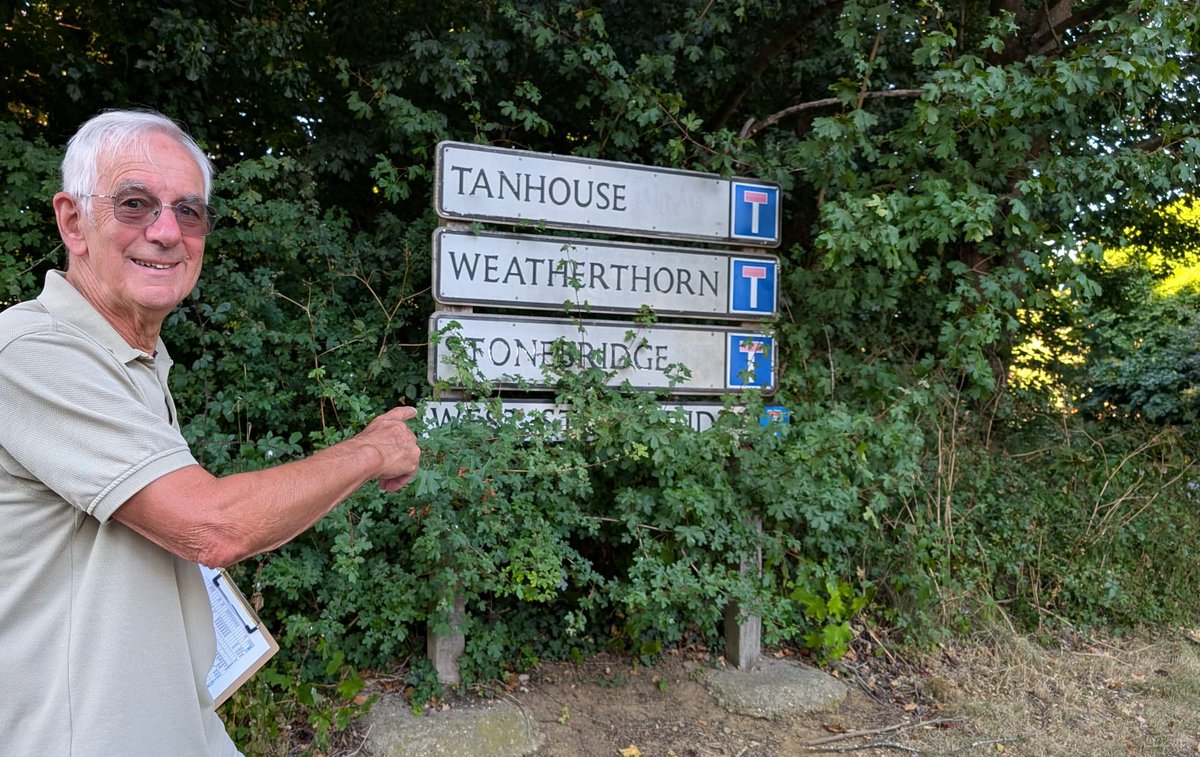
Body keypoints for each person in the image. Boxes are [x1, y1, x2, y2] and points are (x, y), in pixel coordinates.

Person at [0, 109, 421, 756]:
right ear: (72, 221)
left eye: (189, 211)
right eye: (135, 203)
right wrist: (371, 450)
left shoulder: (130, 358)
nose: (167, 231)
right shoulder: (31, 352)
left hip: (172, 721)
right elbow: (214, 526)